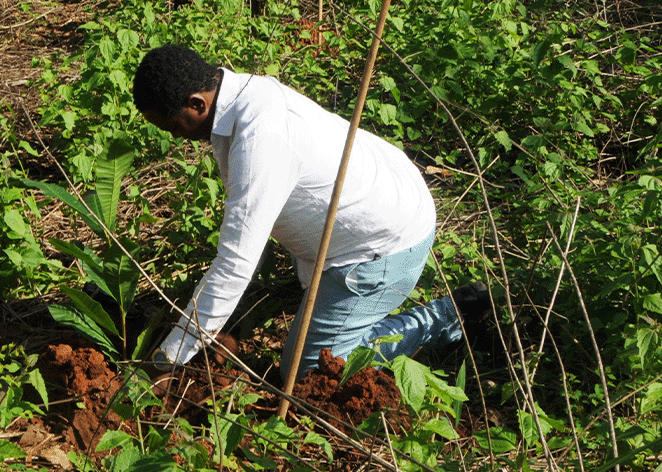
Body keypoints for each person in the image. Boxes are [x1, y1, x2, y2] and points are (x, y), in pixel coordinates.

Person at [132, 45, 491, 382]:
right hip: (385, 197)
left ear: (197, 104)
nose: (177, 138)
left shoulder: (263, 138)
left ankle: (447, 317)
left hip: (384, 247)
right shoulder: (244, 95)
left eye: (173, 127)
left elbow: (235, 261)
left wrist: (169, 358)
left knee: (310, 373)